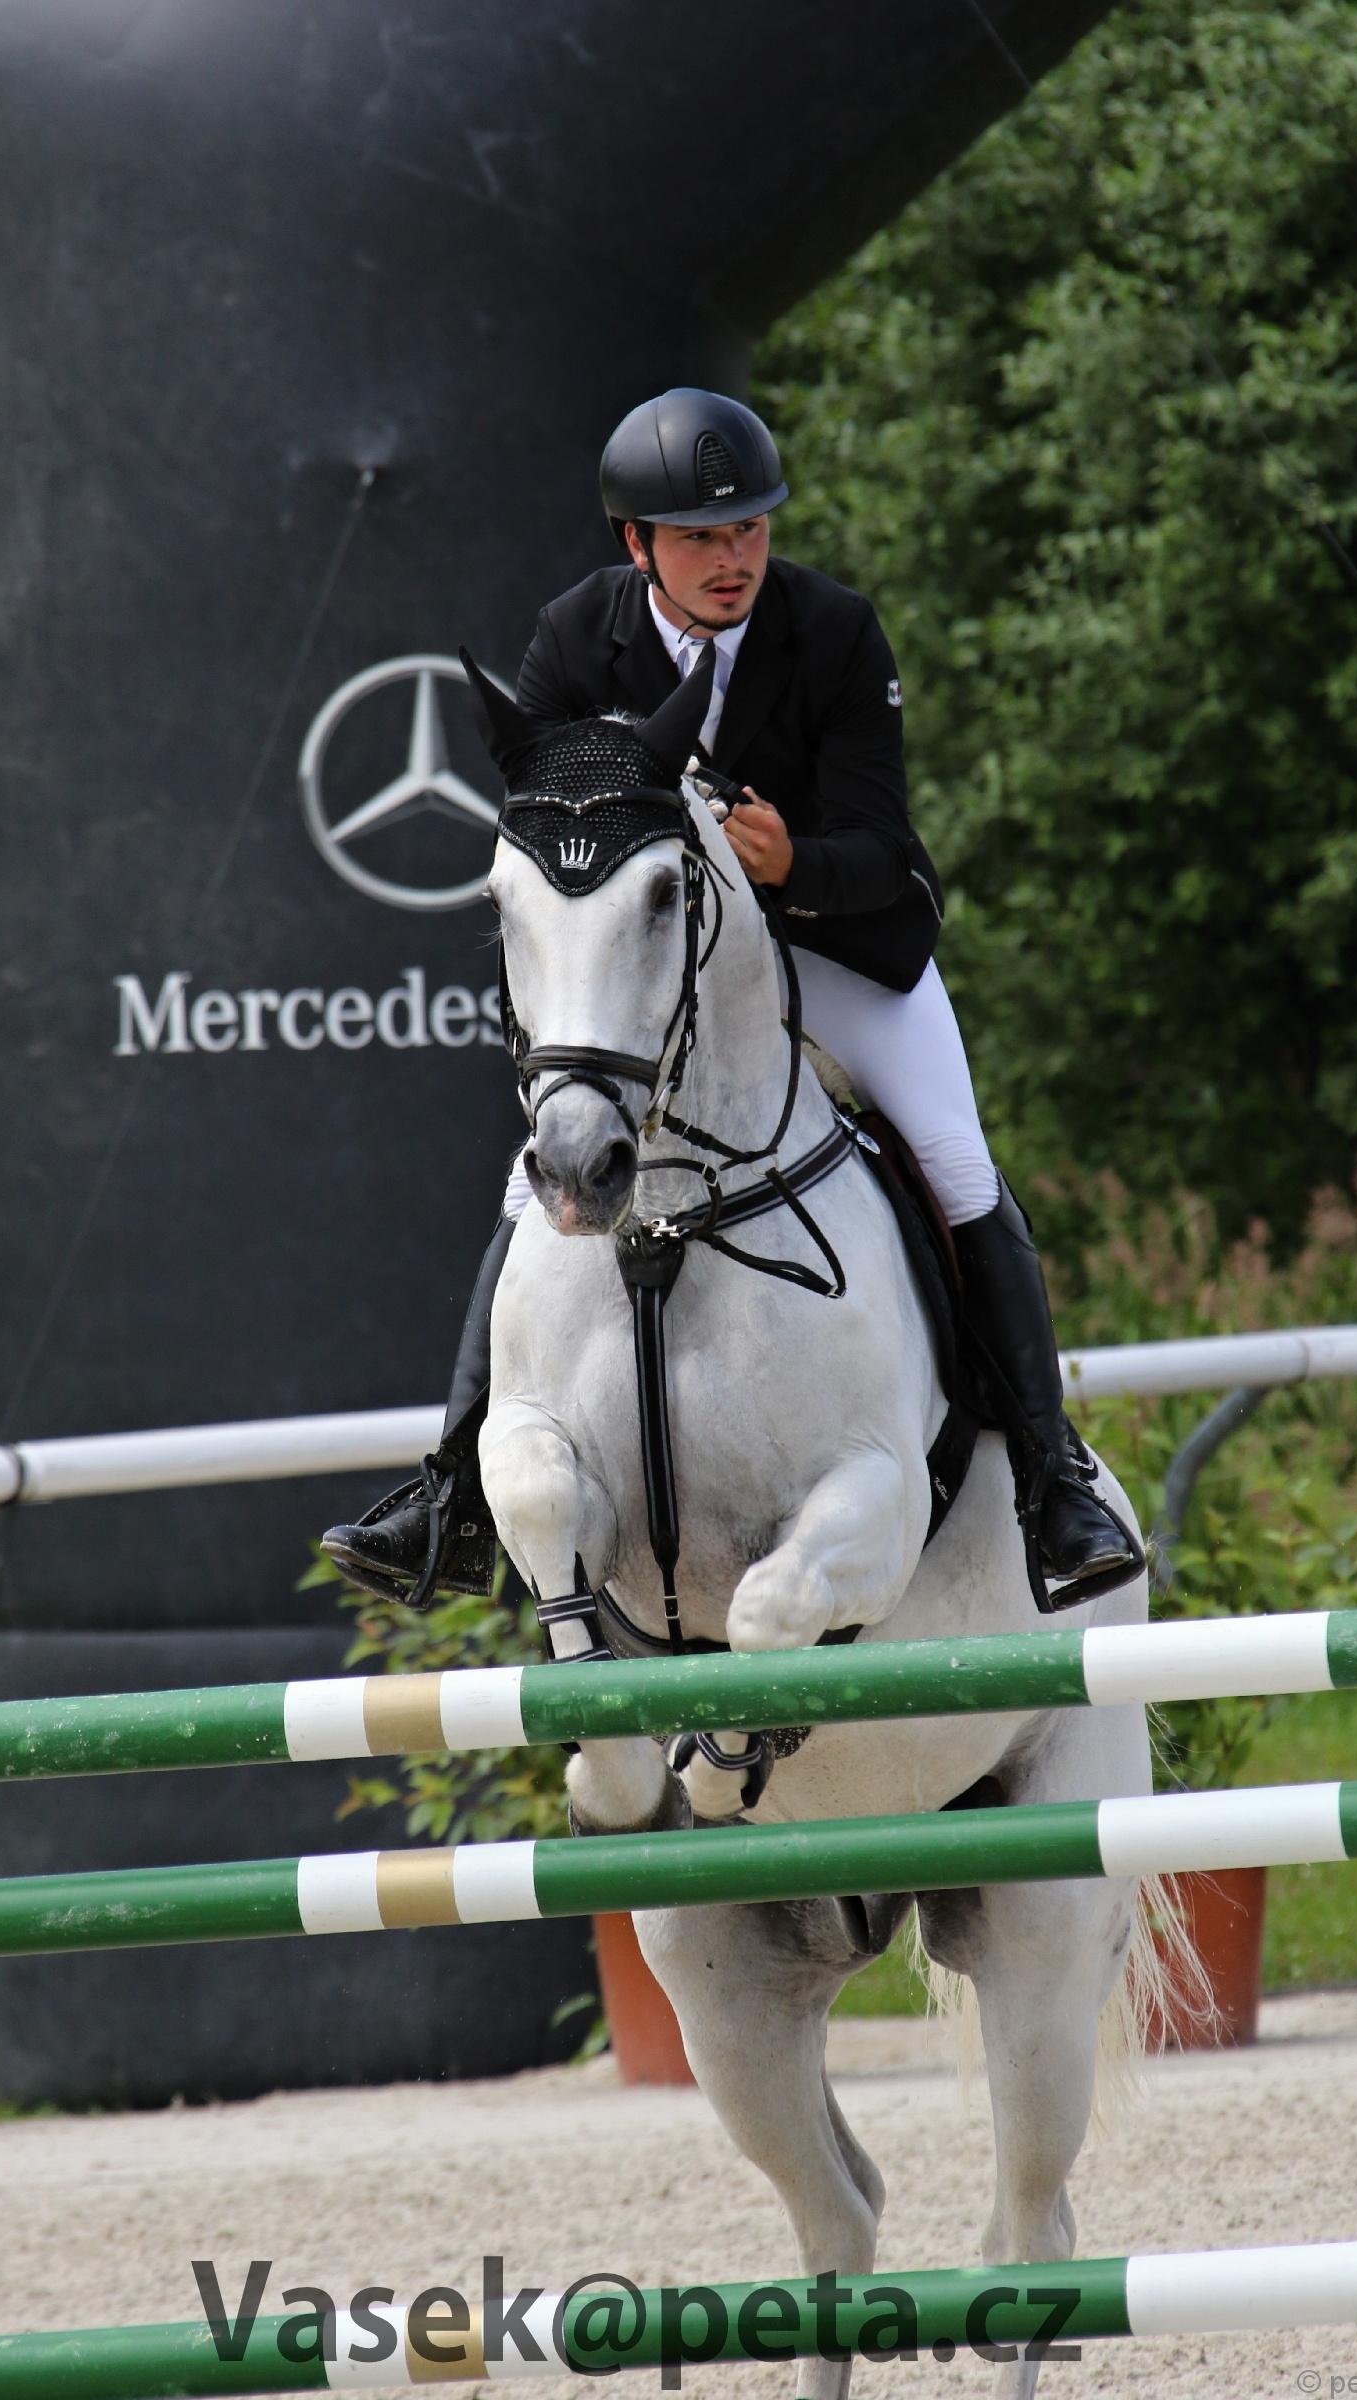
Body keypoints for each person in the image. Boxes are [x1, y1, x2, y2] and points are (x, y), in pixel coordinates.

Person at [323, 388, 1138, 1614]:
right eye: (700, 537)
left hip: (836, 946)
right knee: (531, 1183)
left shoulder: (833, 632)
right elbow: (556, 833)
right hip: (662, 970)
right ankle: (451, 1493)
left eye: (749, 528)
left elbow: (884, 849)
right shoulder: (576, 637)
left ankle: (1050, 1480)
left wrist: (789, 864)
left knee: (956, 1162)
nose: (732, 558)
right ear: (636, 543)